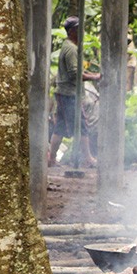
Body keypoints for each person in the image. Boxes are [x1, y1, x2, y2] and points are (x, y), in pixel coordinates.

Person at [49, 16, 101, 168]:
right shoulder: (71, 49)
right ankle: (88, 158)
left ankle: (52, 159)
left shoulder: (69, 46)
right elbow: (74, 74)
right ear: (72, 31)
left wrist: (92, 74)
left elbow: (77, 70)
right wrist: (95, 77)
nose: (82, 32)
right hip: (69, 94)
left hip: (64, 93)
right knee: (82, 126)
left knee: (60, 128)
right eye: (79, 29)